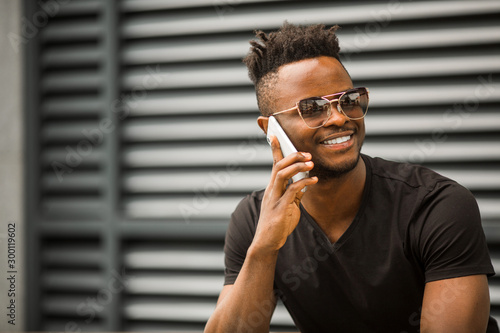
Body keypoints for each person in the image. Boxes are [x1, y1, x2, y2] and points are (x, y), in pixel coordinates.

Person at [204, 22, 497, 333]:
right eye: (312, 108)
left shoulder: (436, 206)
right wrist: (264, 247)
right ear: (270, 129)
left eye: (347, 99)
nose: (340, 117)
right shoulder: (255, 220)